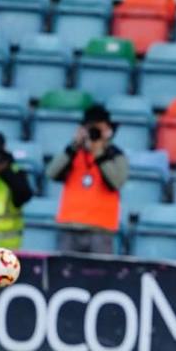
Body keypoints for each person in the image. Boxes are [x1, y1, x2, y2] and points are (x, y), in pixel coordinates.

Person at [45, 104, 127, 255]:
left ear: (108, 131)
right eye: (90, 128)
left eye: (98, 129)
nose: (94, 132)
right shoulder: (73, 152)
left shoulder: (115, 155)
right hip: (70, 226)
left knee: (98, 277)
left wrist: (99, 154)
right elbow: (51, 173)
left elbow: (116, 181)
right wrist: (73, 146)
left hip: (100, 229)